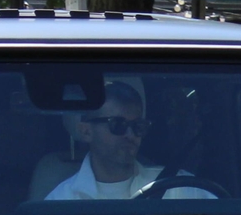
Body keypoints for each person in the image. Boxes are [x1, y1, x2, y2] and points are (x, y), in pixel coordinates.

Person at [43, 81, 195, 201]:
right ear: (86, 131)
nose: (130, 135)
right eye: (117, 125)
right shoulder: (62, 201)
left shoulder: (180, 188)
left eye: (137, 126)